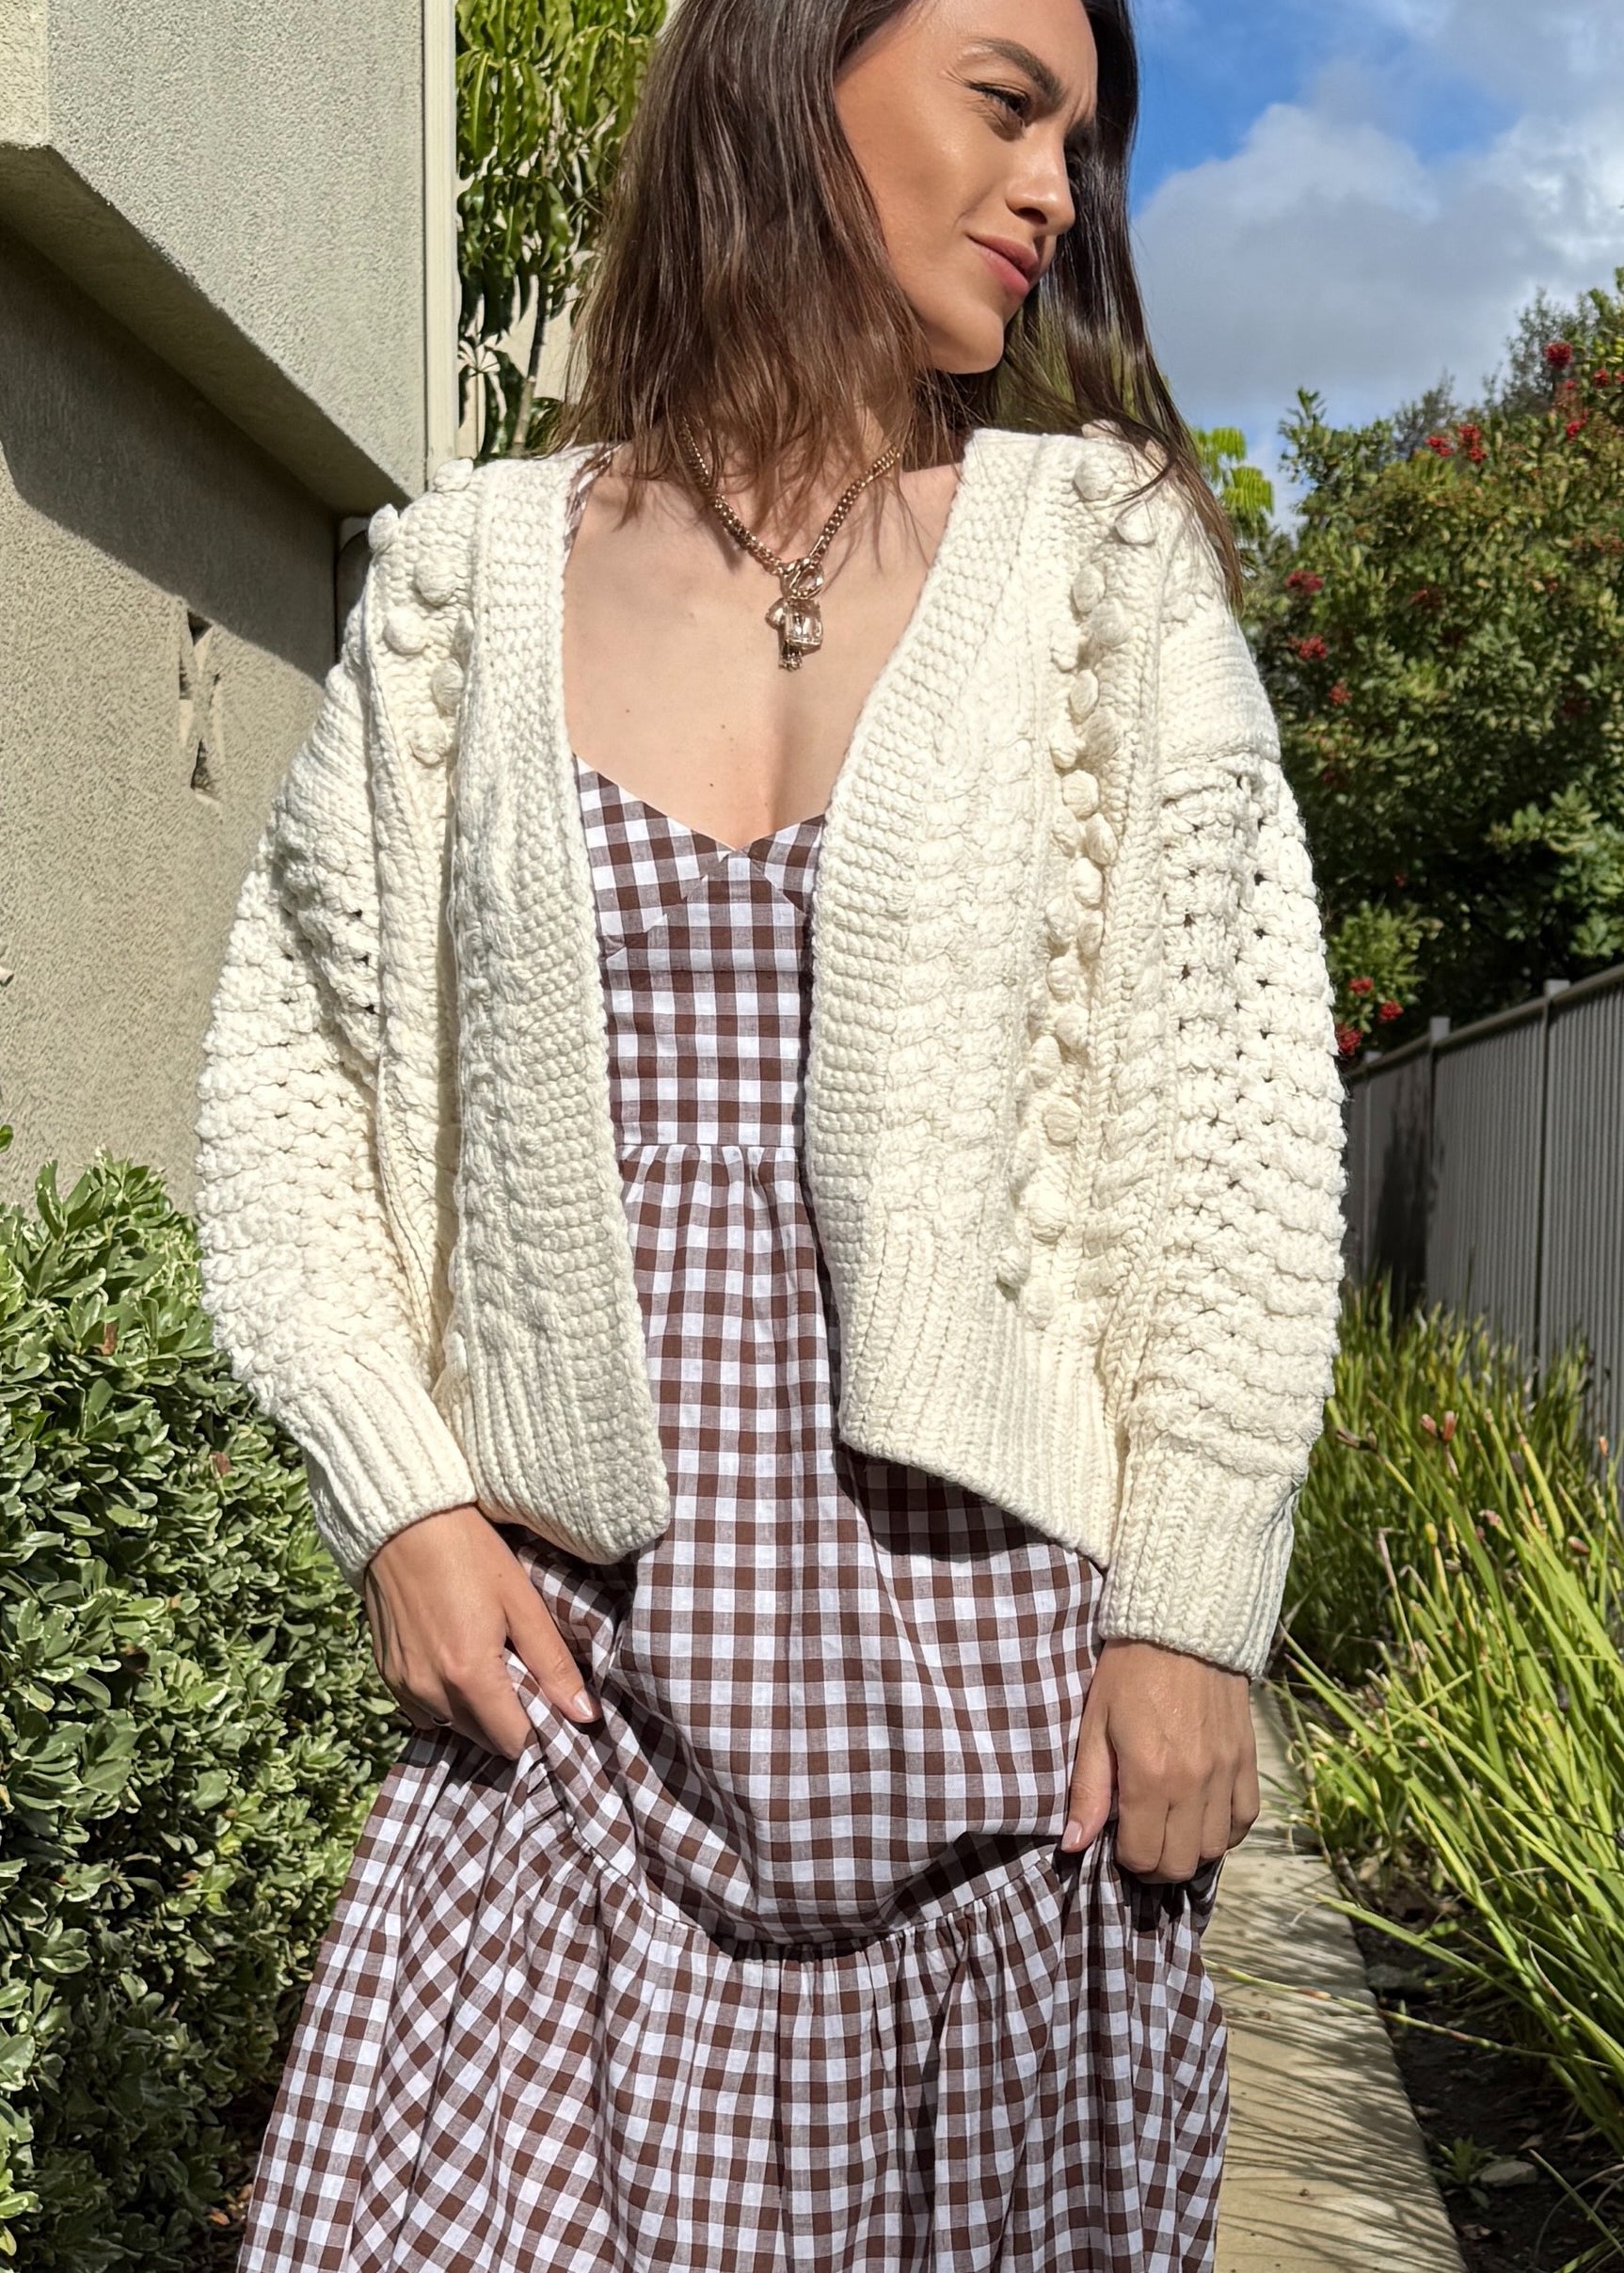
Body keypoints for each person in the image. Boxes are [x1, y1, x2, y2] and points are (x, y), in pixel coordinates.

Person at [194, 0, 1346, 2264]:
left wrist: (1197, 1610)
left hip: (1011, 1769)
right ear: (784, 79)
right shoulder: (462, 582)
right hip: (566, 1747)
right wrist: (402, 1498)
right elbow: (293, 1092)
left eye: (1077, 146)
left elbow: (1237, 1123)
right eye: (1002, 104)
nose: (1052, 190)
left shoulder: (1103, 562)